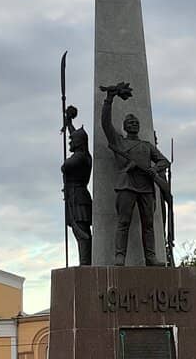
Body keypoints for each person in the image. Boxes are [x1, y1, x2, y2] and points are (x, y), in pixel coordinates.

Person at [100, 82, 170, 266]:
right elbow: (105, 124)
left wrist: (153, 170)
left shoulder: (146, 146)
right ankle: (119, 255)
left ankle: (151, 257)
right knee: (123, 222)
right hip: (126, 185)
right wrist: (109, 99)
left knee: (148, 225)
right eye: (130, 123)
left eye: (136, 122)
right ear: (125, 127)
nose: (134, 124)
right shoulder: (120, 142)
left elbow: (164, 161)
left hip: (146, 186)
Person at [62, 105, 93, 265]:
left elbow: (65, 165)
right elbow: (74, 134)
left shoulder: (81, 157)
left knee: (82, 232)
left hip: (78, 197)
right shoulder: (82, 153)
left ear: (79, 143)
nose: (70, 141)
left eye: (72, 141)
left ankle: (86, 263)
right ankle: (85, 261)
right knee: (79, 231)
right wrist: (68, 120)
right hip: (75, 196)